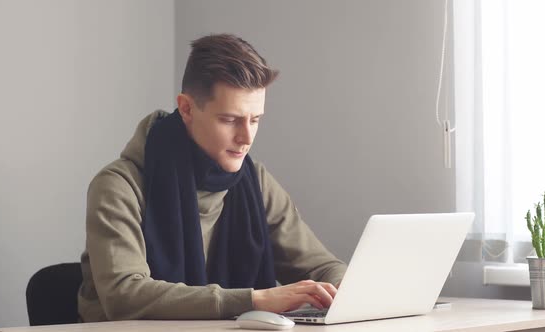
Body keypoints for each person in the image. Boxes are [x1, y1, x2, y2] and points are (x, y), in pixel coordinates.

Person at [77, 33, 346, 322]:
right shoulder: (118, 187)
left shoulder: (256, 182)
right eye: (230, 120)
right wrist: (253, 300)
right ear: (187, 108)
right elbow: (124, 295)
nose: (246, 138)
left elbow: (321, 266)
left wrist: (345, 288)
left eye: (255, 120)